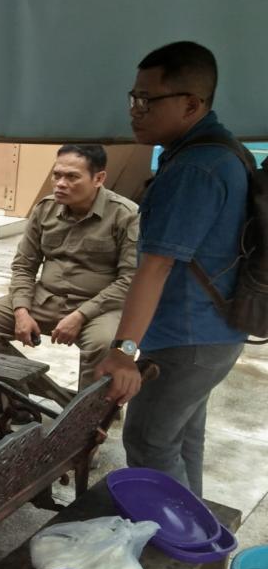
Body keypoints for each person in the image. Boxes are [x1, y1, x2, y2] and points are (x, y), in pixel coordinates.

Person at [95, 41, 248, 496]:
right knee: (181, 441)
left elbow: (155, 267)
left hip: (188, 338)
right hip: (210, 333)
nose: (135, 111)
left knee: (148, 441)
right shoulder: (222, 151)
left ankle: (176, 546)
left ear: (192, 104)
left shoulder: (195, 168)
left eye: (148, 101)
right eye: (134, 98)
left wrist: (123, 350)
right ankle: (195, 544)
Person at [0, 145, 139, 394]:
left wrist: (81, 315)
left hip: (98, 307)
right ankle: (27, 396)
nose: (60, 183)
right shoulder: (45, 209)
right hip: (45, 297)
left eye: (72, 177)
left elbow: (129, 280)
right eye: (57, 175)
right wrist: (22, 310)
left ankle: (89, 417)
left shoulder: (126, 215)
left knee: (103, 345)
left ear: (99, 179)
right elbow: (24, 265)